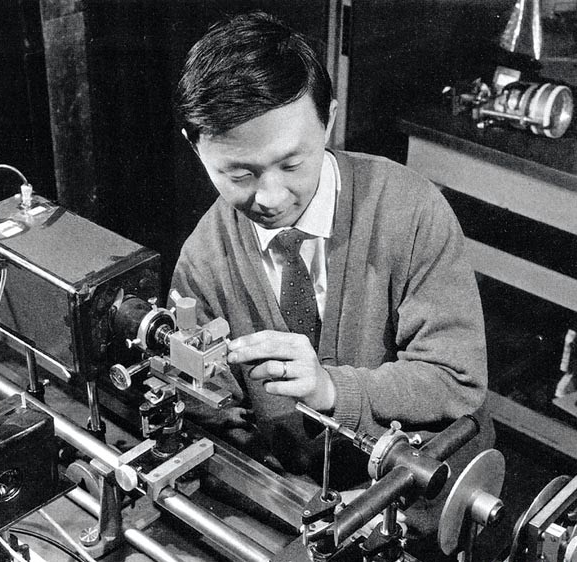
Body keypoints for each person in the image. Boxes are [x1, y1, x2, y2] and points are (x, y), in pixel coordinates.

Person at [171, 11, 494, 539]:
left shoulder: (410, 211)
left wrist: (330, 389)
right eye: (240, 174)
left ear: (329, 122)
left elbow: (455, 379)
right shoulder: (202, 261)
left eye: (292, 164)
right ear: (196, 147)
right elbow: (212, 421)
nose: (270, 197)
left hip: (422, 499)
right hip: (297, 510)